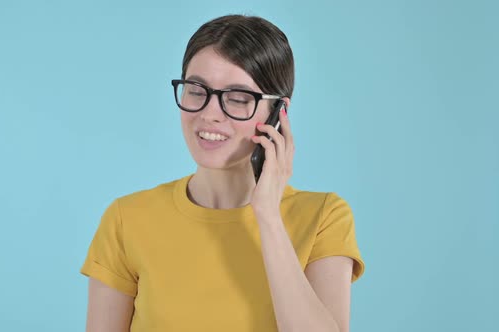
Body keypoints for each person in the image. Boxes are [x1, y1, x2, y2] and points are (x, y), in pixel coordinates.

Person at [80, 14, 365, 332]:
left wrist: (268, 216)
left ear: (279, 112)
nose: (209, 114)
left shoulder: (325, 218)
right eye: (197, 91)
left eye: (238, 98)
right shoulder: (126, 219)